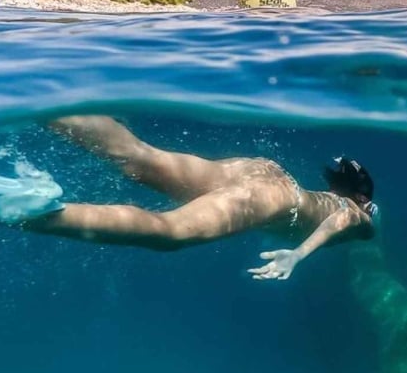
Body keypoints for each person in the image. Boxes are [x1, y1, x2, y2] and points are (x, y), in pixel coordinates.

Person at [21, 115, 377, 281]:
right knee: (170, 232)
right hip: (276, 196)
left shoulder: (330, 196)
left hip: (260, 170)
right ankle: (33, 213)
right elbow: (343, 219)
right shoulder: (353, 212)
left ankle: (46, 110)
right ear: (361, 197)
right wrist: (298, 256)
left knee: (140, 159)